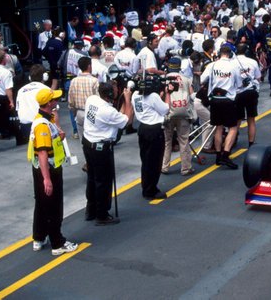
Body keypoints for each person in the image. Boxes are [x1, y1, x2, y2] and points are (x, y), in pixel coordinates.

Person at [28, 87, 78, 255]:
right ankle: (58, 243)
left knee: (41, 204)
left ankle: (39, 237)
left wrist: (58, 133)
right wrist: (47, 179)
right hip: (48, 170)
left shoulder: (43, 119)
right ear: (49, 103)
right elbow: (42, 152)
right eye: (54, 100)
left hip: (41, 169)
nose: (56, 102)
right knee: (54, 207)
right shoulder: (42, 125)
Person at [82, 82, 133, 224]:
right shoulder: (107, 111)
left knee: (92, 178)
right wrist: (128, 99)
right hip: (100, 148)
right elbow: (126, 121)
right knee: (103, 181)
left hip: (87, 143)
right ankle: (102, 214)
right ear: (110, 95)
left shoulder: (92, 99)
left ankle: (90, 210)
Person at [200, 45, 242, 169]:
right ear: (230, 54)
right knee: (233, 128)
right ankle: (226, 154)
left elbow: (202, 79)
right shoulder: (234, 66)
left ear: (219, 53)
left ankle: (218, 155)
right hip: (228, 99)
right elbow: (239, 84)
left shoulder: (212, 65)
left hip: (215, 100)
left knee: (218, 127)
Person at [131, 75, 171, 199]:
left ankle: (146, 186)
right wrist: (167, 94)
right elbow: (165, 109)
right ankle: (151, 190)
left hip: (142, 129)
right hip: (154, 130)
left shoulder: (135, 96)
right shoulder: (153, 97)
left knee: (146, 161)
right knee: (155, 161)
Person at [161, 62, 195, 176]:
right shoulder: (186, 79)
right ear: (179, 67)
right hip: (183, 112)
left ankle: (164, 167)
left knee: (167, 141)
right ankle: (186, 168)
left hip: (169, 112)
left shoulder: (164, 79)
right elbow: (192, 95)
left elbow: (160, 95)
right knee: (184, 140)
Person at [235, 43, 261, 148]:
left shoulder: (233, 63)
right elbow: (258, 77)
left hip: (238, 93)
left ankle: (232, 140)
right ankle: (251, 144)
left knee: (237, 120)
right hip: (251, 92)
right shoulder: (253, 62)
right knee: (251, 119)